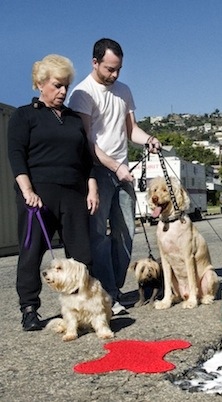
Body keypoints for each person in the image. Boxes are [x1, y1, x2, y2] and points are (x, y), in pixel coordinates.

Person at [69, 38, 161, 314]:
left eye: (118, 69)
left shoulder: (123, 90)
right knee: (98, 235)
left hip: (123, 171)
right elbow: (87, 142)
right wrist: (114, 166)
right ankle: (108, 294)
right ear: (94, 62)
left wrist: (148, 140)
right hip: (97, 171)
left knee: (125, 233)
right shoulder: (82, 94)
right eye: (109, 69)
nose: (115, 75)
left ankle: (116, 288)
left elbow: (131, 130)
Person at [7, 54, 98, 331]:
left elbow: (86, 158)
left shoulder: (72, 119)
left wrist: (91, 188)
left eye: (66, 86)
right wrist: (27, 190)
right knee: (32, 252)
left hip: (73, 193)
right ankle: (29, 308)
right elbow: (16, 154)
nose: (62, 92)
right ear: (40, 84)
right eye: (57, 86)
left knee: (82, 254)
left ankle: (83, 305)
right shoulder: (24, 115)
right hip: (38, 195)